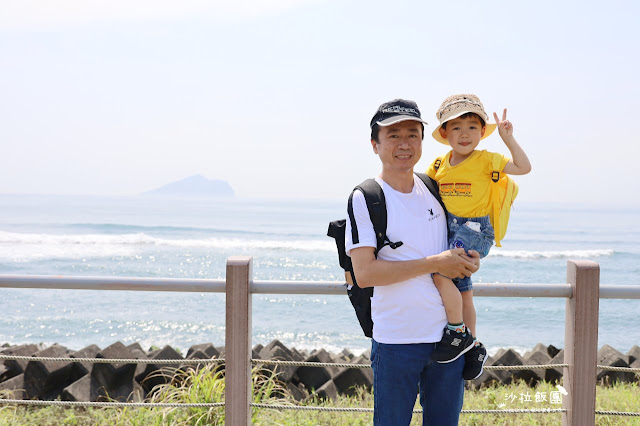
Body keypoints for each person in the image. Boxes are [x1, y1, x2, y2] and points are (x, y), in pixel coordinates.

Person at [346, 98, 481, 425]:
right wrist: (435, 263)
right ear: (375, 144)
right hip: (396, 343)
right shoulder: (366, 197)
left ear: (422, 140)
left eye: (412, 134)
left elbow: (455, 250)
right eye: (393, 135)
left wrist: (467, 261)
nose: (404, 144)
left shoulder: (434, 187)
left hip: (449, 340)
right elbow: (364, 274)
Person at [426, 94, 531, 380]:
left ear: (483, 132)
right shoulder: (438, 165)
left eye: (472, 127)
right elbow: (420, 193)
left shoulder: (488, 160)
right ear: (445, 133)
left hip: (475, 228)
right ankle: (473, 345)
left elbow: (523, 168)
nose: (465, 134)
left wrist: (508, 138)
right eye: (457, 127)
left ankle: (458, 333)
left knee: (440, 272)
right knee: (464, 290)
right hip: (451, 229)